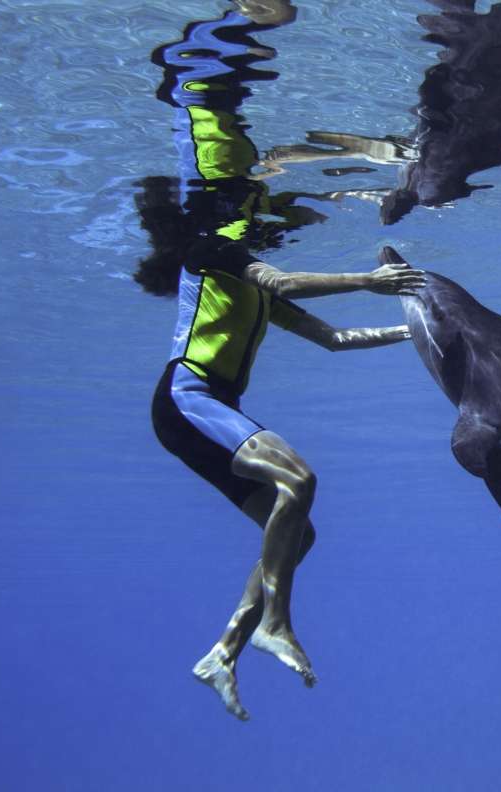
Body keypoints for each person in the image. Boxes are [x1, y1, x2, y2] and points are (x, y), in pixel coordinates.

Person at [136, 0, 425, 721]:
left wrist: (410, 330)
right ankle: (275, 622)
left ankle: (225, 649)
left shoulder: (252, 289)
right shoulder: (212, 251)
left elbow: (332, 339)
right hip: (186, 399)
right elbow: (285, 280)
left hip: (210, 411)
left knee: (299, 525)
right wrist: (369, 278)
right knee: (299, 478)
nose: (262, 216)